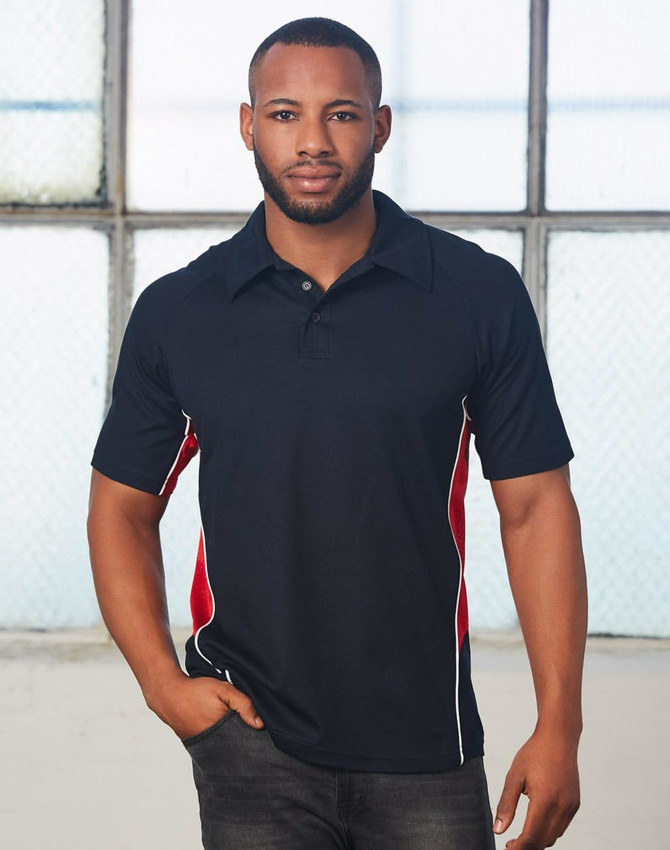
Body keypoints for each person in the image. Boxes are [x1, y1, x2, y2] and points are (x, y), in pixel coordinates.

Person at [87, 17, 587, 850]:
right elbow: (120, 509)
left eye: (342, 115)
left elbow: (535, 509)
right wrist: (161, 685)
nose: (312, 141)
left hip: (427, 739)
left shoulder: (475, 294)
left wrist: (560, 723)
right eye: (284, 114)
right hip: (248, 740)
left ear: (379, 126)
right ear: (249, 126)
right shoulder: (181, 312)